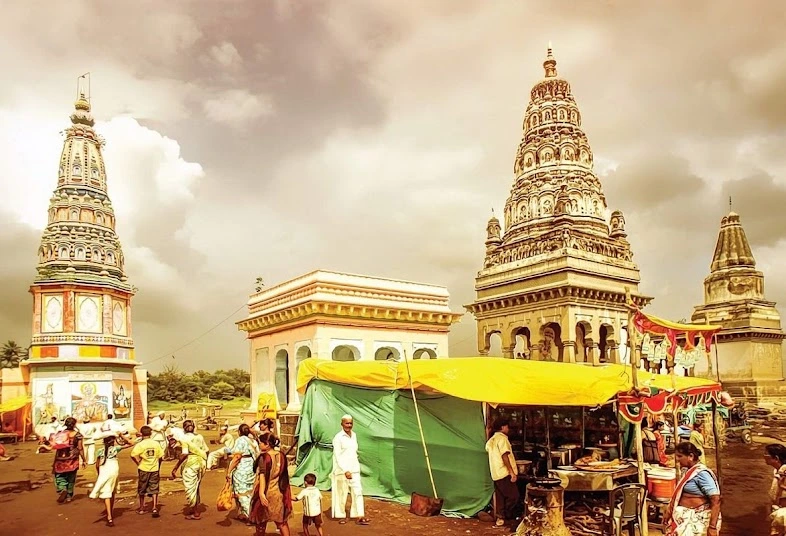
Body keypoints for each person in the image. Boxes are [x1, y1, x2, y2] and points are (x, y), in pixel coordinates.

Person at [665, 441, 721, 536]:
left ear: (690, 456)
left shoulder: (702, 474)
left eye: (680, 456)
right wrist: (669, 511)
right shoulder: (689, 471)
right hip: (685, 519)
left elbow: (716, 500)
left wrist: (712, 527)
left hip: (696, 520)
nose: (677, 459)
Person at [90, 431, 136, 526]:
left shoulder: (100, 451)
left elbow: (97, 465)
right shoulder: (115, 449)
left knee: (106, 492)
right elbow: (131, 443)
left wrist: (99, 475)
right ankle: (110, 511)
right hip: (114, 469)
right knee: (112, 491)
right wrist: (121, 435)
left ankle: (109, 516)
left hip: (104, 470)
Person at [250, 433, 292, 536]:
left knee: (261, 521)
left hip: (266, 492)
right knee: (281, 522)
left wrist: (261, 493)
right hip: (278, 493)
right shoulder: (281, 455)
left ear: (267, 444)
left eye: (260, 443)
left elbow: (262, 476)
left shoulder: (264, 457)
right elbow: (285, 476)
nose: (259, 445)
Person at [331, 414, 370, 525]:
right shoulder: (338, 438)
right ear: (342, 424)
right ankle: (341, 515)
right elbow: (337, 455)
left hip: (354, 468)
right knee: (342, 493)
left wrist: (353, 468)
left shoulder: (354, 435)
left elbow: (354, 452)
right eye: (347, 423)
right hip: (342, 470)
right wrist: (345, 470)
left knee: (358, 492)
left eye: (350, 423)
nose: (349, 425)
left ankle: (359, 515)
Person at [485, 417, 519, 528]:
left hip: (495, 473)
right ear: (503, 427)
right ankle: (508, 516)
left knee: (500, 497)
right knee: (514, 496)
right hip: (504, 472)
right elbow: (505, 456)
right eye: (507, 426)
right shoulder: (502, 439)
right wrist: (511, 472)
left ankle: (500, 518)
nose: (508, 429)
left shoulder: (491, 440)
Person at [171, 420, 209, 520]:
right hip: (201, 462)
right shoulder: (199, 436)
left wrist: (175, 468)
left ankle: (196, 513)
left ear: (184, 428)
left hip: (191, 464)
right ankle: (194, 508)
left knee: (191, 488)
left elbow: (184, 454)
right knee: (196, 486)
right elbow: (207, 450)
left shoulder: (184, 438)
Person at [130, 425, 165, 518]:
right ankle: (154, 507)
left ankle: (141, 508)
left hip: (143, 468)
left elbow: (133, 455)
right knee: (154, 488)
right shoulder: (156, 444)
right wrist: (158, 465)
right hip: (154, 468)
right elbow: (161, 457)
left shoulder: (141, 444)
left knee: (142, 488)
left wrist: (138, 462)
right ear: (151, 433)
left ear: (141, 434)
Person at [228, 423, 258, 522]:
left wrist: (229, 471)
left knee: (241, 492)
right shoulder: (253, 441)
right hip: (251, 467)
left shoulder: (240, 440)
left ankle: (250, 515)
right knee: (249, 492)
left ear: (240, 432)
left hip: (242, 469)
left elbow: (237, 457)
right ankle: (244, 513)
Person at [51, 417, 86, 503]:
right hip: (72, 459)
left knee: (59, 476)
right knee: (71, 477)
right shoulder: (78, 435)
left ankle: (62, 489)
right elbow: (80, 448)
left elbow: (55, 446)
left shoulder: (60, 434)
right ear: (74, 424)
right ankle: (69, 496)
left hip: (60, 458)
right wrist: (84, 459)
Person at [765, 443, 786, 535]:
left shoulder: (784, 472)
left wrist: (782, 486)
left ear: (776, 458)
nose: (763, 456)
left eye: (766, 454)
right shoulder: (778, 471)